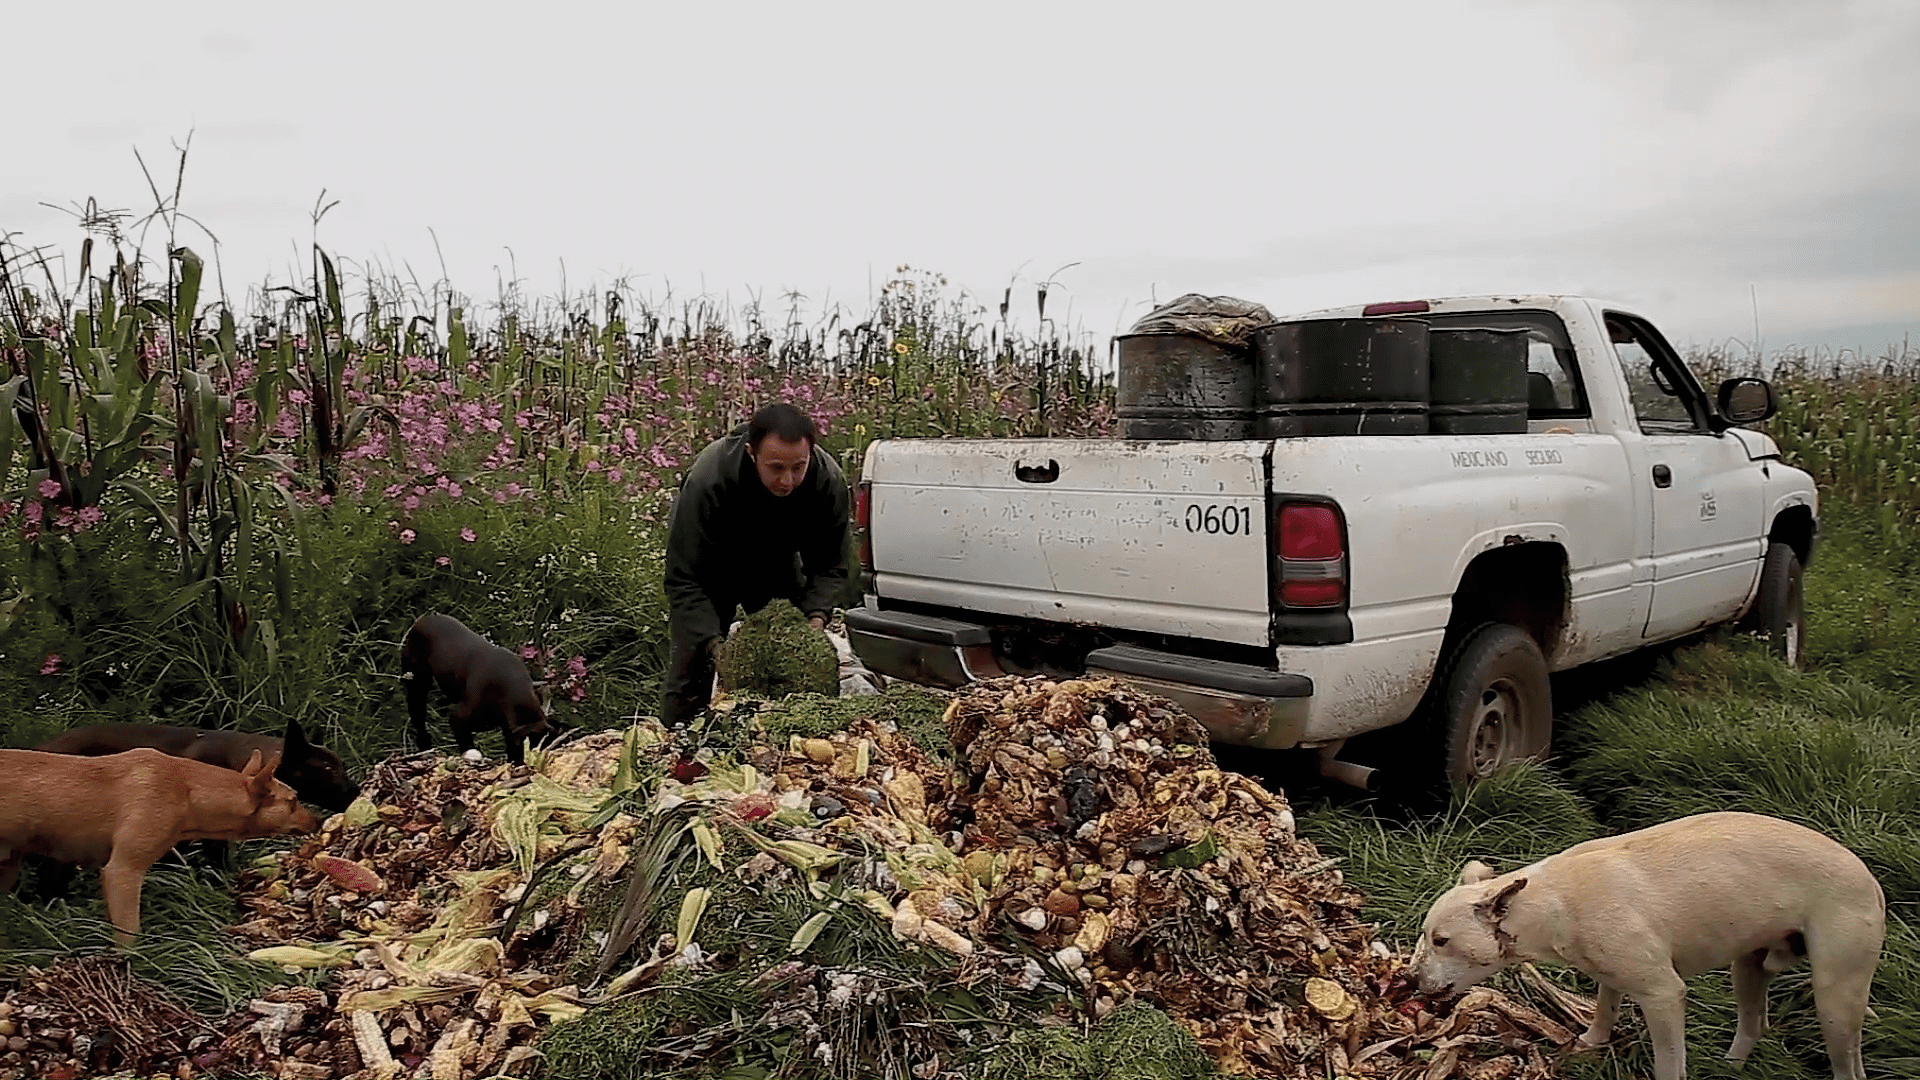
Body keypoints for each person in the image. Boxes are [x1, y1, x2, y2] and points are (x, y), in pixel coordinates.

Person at [660, 402, 851, 728]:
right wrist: (712, 645)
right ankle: (677, 748)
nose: (787, 480)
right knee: (692, 671)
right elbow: (683, 577)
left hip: (775, 566)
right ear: (752, 453)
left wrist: (816, 616)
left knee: (796, 663)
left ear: (811, 453)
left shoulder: (827, 479)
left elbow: (831, 566)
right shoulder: (710, 476)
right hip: (709, 572)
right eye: (776, 468)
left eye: (797, 468)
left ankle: (786, 746)